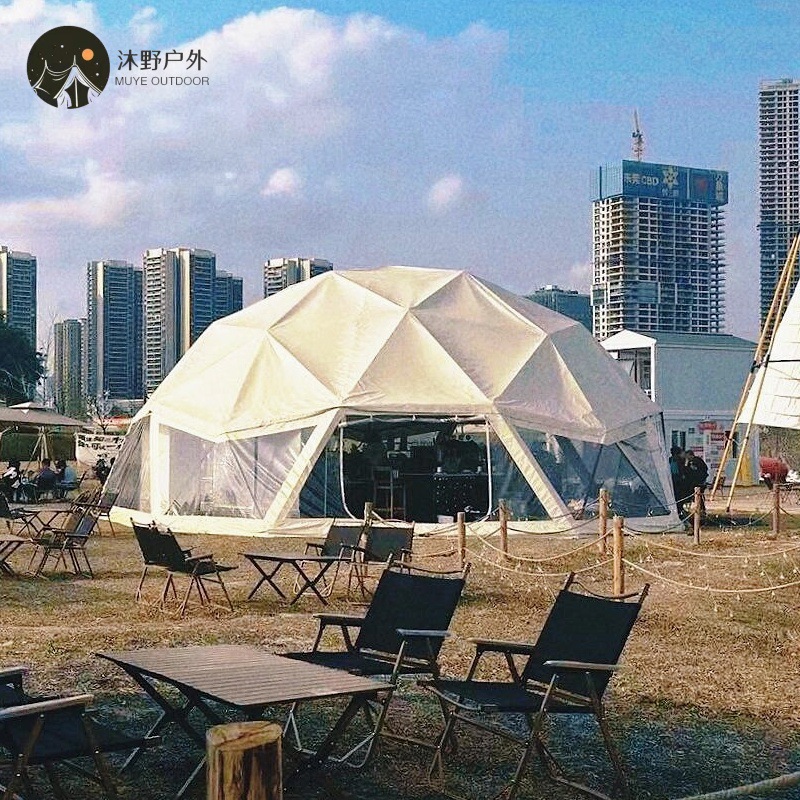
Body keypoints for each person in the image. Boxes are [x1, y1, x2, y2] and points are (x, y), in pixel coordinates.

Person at [684, 449, 709, 516]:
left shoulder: (695, 461)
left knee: (698, 496)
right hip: (699, 481)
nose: (686, 457)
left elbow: (692, 472)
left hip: (698, 482)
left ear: (690, 455)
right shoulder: (696, 460)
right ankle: (701, 509)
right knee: (698, 497)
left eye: (687, 456)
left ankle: (700, 510)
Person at [669, 446, 689, 515]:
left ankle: (678, 509)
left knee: (676, 496)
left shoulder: (671, 459)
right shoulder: (679, 460)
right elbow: (683, 470)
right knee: (678, 496)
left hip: (674, 479)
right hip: (677, 480)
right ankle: (679, 509)